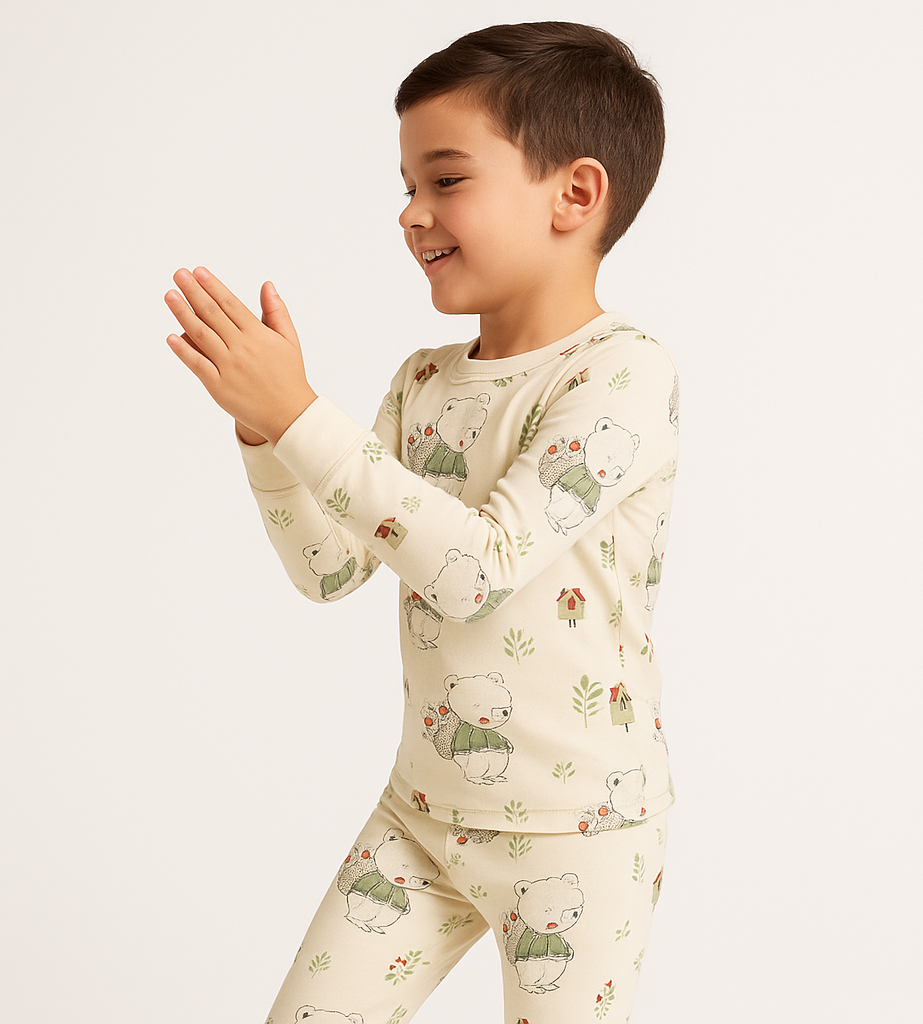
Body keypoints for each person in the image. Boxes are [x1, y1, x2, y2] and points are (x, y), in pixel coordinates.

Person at [164, 21, 678, 1023]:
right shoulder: (424, 380)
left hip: (582, 832)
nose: (410, 213)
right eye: (406, 185)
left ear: (575, 194)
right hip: (422, 815)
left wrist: (298, 416)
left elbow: (478, 569)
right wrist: (265, 433)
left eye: (445, 179)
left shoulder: (621, 373)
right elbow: (328, 569)